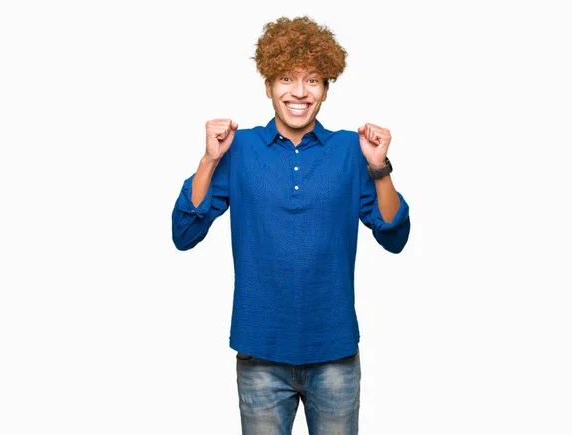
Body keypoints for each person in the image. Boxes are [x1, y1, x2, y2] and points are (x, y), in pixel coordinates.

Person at [172, 15, 410, 435]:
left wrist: (379, 168)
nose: (299, 92)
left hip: (334, 351)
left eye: (312, 80)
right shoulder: (239, 148)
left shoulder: (348, 150)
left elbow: (394, 236)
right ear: (267, 85)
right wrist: (209, 159)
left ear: (326, 89)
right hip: (261, 353)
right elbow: (184, 233)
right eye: (286, 78)